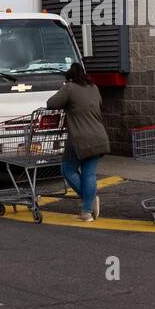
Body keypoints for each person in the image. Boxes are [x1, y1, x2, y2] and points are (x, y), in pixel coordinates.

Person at [47, 63, 109, 222]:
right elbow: (99, 103)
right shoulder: (93, 87)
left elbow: (51, 104)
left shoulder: (69, 88)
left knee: (67, 169)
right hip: (99, 136)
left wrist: (65, 89)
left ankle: (89, 202)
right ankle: (87, 211)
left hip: (79, 138)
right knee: (89, 174)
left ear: (70, 78)